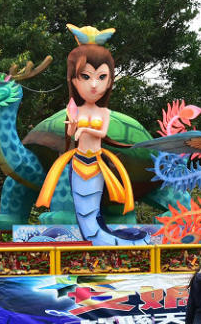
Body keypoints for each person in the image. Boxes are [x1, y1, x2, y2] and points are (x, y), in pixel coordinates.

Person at [36, 24, 145, 245]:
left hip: (97, 163)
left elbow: (102, 132)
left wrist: (84, 129)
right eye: (85, 77)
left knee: (94, 206)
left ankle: (109, 237)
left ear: (110, 80)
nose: (94, 85)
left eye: (101, 77)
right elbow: (70, 133)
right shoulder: (73, 109)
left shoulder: (104, 112)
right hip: (77, 162)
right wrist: (74, 126)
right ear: (74, 80)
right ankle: (92, 236)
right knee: (78, 205)